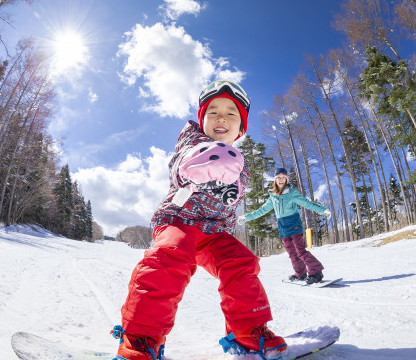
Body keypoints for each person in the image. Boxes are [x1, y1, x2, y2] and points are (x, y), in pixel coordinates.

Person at [111, 80, 287, 360]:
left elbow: (235, 186)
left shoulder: (240, 163)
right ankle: (142, 339)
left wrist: (231, 172)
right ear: (202, 119)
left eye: (231, 113)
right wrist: (210, 161)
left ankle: (248, 332)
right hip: (178, 221)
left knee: (241, 263)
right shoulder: (192, 142)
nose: (221, 117)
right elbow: (185, 164)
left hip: (214, 232)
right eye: (213, 111)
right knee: (169, 259)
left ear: (241, 129)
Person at [237, 168, 331, 285]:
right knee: (292, 253)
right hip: (282, 228)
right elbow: (262, 210)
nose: (281, 180)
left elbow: (307, 203)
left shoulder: (292, 193)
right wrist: (246, 217)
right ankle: (300, 273)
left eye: (283, 178)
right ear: (275, 180)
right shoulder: (273, 196)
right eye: (278, 178)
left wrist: (323, 210)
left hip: (294, 225)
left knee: (300, 251)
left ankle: (316, 272)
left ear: (286, 180)